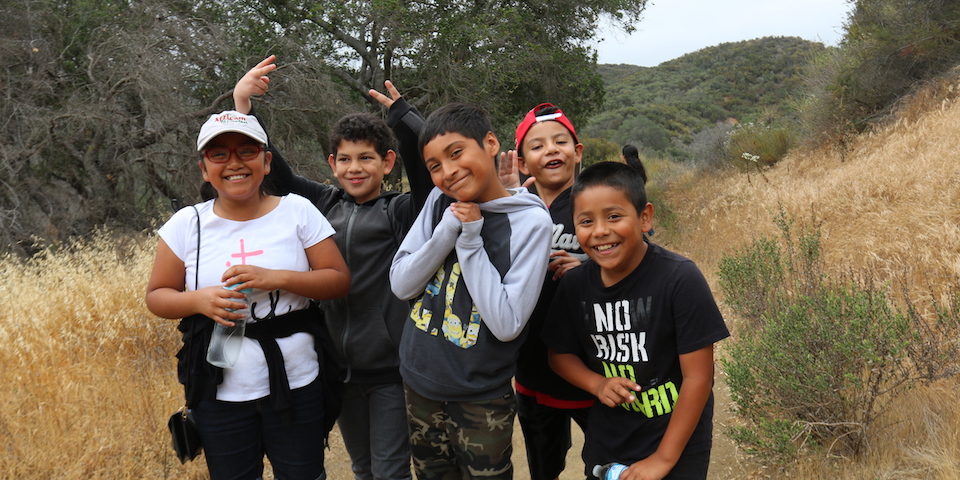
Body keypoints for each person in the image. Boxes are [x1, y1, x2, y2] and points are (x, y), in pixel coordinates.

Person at [233, 56, 432, 480]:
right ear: (331, 163)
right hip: (338, 367)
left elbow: (429, 181)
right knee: (362, 467)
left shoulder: (400, 212)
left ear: (388, 162)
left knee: (391, 470)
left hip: (390, 370)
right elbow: (278, 174)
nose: (354, 168)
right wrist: (245, 108)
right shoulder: (323, 204)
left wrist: (406, 119)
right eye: (344, 159)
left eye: (365, 158)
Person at [145, 110, 351, 479]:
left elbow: (337, 279)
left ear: (267, 161)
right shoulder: (186, 224)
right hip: (219, 389)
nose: (234, 163)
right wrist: (197, 301)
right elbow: (157, 296)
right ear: (204, 168)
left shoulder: (297, 211)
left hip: (298, 380)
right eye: (218, 154)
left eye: (247, 151)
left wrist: (278, 278)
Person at [389, 103, 553, 479]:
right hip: (419, 382)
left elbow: (507, 322)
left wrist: (470, 241)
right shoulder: (439, 201)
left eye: (457, 153)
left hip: (481, 396)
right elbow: (401, 283)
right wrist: (447, 230)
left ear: (491, 143)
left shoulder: (530, 222)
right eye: (434, 166)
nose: (448, 172)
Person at [542, 161, 729, 480]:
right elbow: (559, 354)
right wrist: (597, 383)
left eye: (614, 216)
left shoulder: (680, 279)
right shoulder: (575, 286)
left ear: (645, 217)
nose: (600, 231)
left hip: (676, 440)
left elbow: (698, 378)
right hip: (608, 439)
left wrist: (663, 459)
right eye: (586, 221)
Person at [500, 103, 594, 480]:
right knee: (544, 462)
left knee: (609, 458)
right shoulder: (516, 207)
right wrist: (506, 201)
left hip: (594, 363)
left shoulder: (597, 202)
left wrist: (586, 269)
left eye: (560, 142)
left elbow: (637, 259)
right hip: (533, 364)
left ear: (578, 152)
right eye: (537, 146)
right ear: (523, 162)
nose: (551, 150)